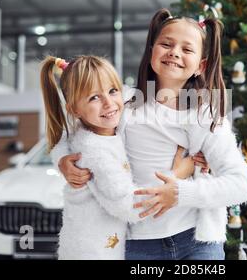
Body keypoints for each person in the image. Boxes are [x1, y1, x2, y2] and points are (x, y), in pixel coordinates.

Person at [53, 9, 247, 260]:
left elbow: (241, 185)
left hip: (196, 241)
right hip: (139, 244)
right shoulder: (123, 102)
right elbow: (74, 129)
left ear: (200, 66)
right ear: (151, 53)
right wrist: (62, 160)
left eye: (187, 49)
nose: (175, 53)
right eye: (166, 44)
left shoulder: (207, 118)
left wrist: (179, 193)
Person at [40, 55, 195, 259]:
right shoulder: (96, 151)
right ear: (74, 110)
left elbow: (61, 139)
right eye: (94, 97)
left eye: (113, 91)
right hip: (94, 253)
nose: (108, 103)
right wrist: (178, 173)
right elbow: (130, 206)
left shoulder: (96, 130)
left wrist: (61, 159)